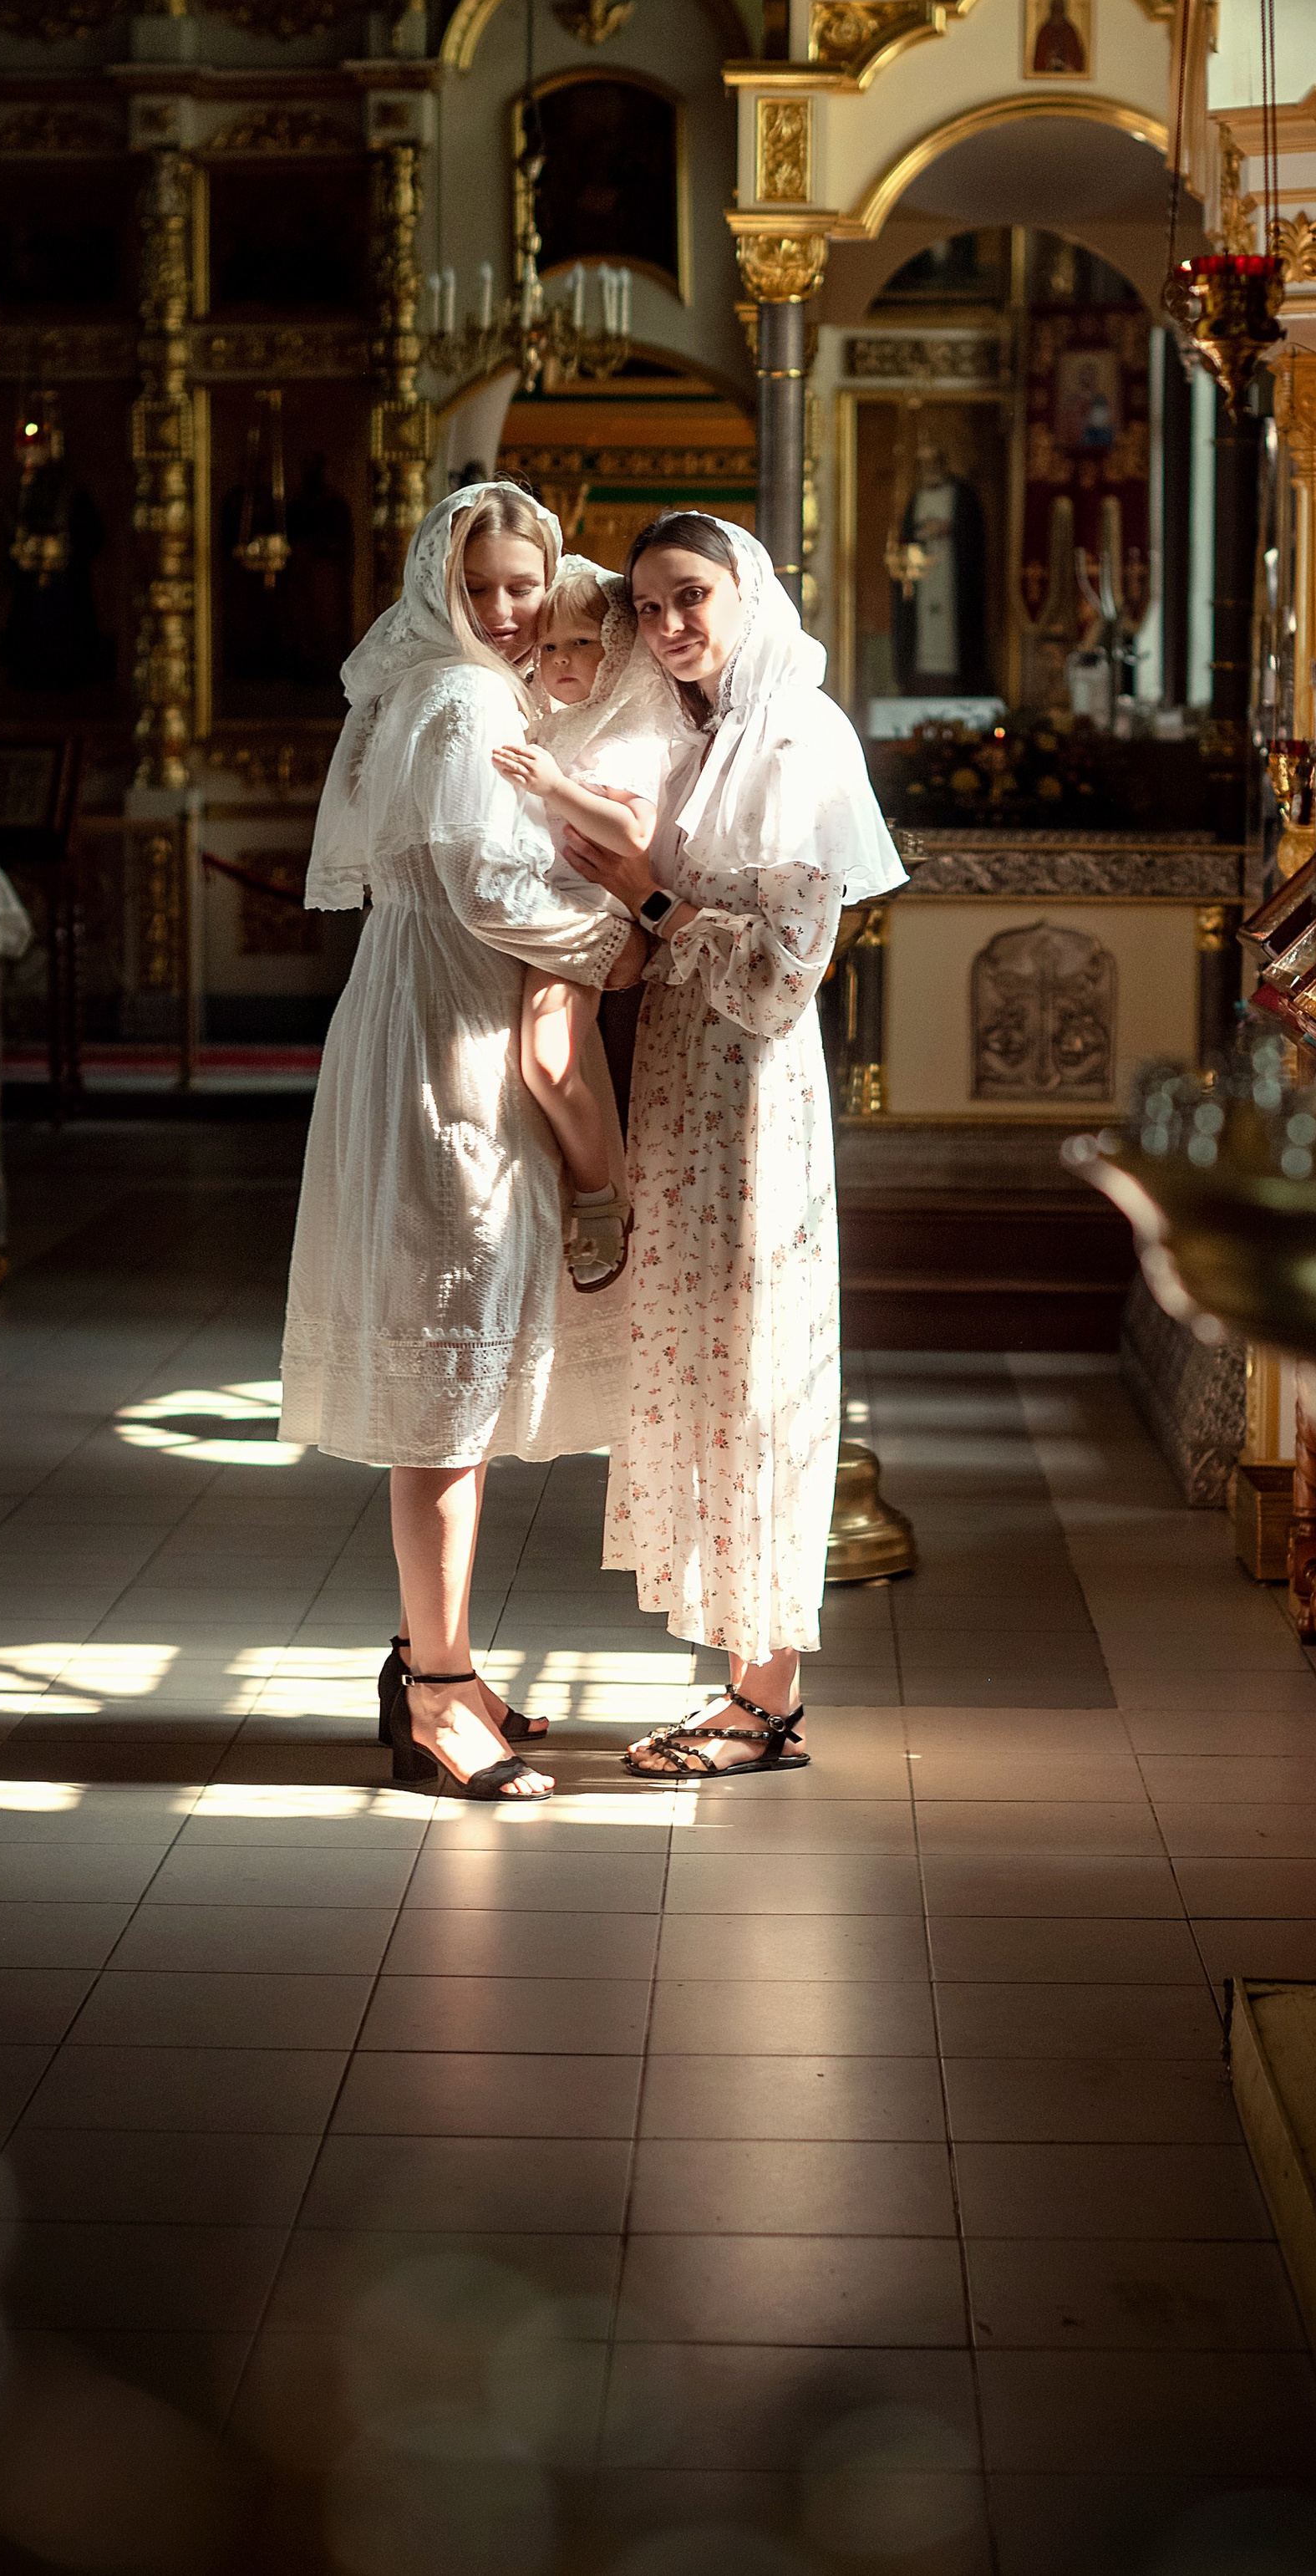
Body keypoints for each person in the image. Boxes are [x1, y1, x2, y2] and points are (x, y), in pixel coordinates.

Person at [279, 483, 648, 1800]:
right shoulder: (464, 696)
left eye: (523, 586)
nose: (504, 610)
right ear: (443, 582)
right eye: (482, 585)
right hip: (449, 1047)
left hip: (437, 1026)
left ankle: (434, 1660)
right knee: (449, 1374)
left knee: (463, 1373)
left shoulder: (453, 686)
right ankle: (436, 1690)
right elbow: (490, 889)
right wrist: (631, 934)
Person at [560, 514, 906, 1778]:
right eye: (648, 607)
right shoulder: (692, 737)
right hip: (677, 1083)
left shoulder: (800, 734)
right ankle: (740, 1679)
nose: (669, 627)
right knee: (701, 1359)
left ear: (747, 591)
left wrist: (649, 892)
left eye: (690, 596)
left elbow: (781, 972)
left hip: (754, 1092)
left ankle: (769, 1698)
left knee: (760, 1363)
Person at [490, 557, 683, 1294]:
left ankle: (601, 1201)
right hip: (538, 903)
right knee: (535, 1063)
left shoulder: (629, 727)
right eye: (549, 648)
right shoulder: (554, 720)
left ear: (621, 652)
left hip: (586, 910)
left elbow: (632, 833)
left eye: (584, 644)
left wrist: (557, 786)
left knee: (547, 1059)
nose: (563, 661)